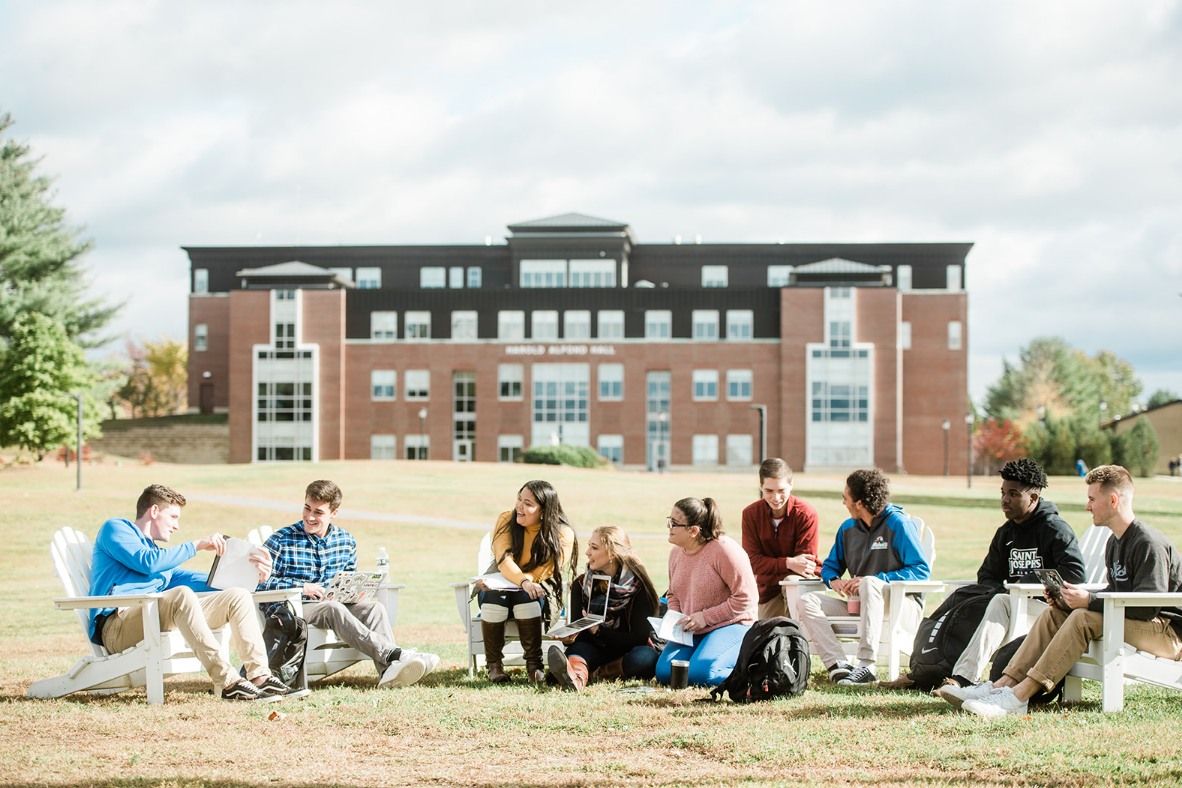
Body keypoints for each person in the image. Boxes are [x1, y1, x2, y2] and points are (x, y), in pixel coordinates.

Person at [942, 465, 1182, 718]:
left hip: (1168, 633)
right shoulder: (1114, 542)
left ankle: (1019, 696)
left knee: (1082, 617)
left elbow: (1147, 606)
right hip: (1138, 622)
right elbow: (1117, 591)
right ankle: (1003, 685)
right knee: (1055, 613)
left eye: (1092, 499)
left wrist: (1088, 601)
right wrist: (1069, 601)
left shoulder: (1147, 542)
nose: (1087, 506)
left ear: (1113, 500)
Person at [884, 458, 1086, 691]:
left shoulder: (1054, 529)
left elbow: (1075, 573)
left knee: (999, 601)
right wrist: (1000, 590)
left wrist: (1025, 584)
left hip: (1047, 612)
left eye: (1013, 494)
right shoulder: (1006, 533)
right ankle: (929, 671)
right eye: (1002, 493)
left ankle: (963, 678)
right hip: (1009, 606)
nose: (1005, 500)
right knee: (973, 600)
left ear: (1033, 498)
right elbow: (988, 574)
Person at [88, 484, 293, 701]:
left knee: (237, 596)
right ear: (155, 511)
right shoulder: (116, 528)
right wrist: (197, 545)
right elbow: (147, 563)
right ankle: (228, 681)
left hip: (151, 619)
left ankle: (259, 676)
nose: (177, 526)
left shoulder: (160, 559)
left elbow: (206, 582)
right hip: (117, 627)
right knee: (182, 594)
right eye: (174, 517)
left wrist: (253, 576)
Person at [257, 479, 437, 689]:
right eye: (307, 508)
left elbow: (348, 579)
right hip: (294, 609)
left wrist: (356, 593)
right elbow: (260, 585)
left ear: (334, 513)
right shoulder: (280, 540)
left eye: (318, 512)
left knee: (374, 608)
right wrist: (302, 587)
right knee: (332, 608)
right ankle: (394, 654)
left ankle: (388, 672)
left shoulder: (346, 541)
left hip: (333, 603)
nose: (310, 517)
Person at [799, 468, 930, 687]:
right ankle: (839, 665)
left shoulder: (899, 524)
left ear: (859, 503)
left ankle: (866, 665)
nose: (844, 503)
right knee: (807, 601)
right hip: (859, 605)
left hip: (900, 605)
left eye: (845, 498)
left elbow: (921, 570)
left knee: (870, 582)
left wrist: (878, 580)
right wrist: (835, 581)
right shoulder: (848, 529)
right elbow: (829, 567)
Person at [477, 480, 577, 684]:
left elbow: (548, 569)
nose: (519, 507)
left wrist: (527, 583)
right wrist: (523, 581)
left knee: (526, 598)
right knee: (496, 597)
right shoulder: (506, 519)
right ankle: (494, 666)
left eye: (528, 503)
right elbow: (504, 559)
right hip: (499, 584)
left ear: (543, 511)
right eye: (519, 499)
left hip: (539, 588)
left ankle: (534, 666)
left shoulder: (562, 533)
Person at [655, 497, 758, 687]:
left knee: (702, 673)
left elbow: (747, 599)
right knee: (665, 672)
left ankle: (754, 672)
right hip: (693, 629)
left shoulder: (724, 550)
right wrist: (676, 617)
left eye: (674, 523)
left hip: (732, 624)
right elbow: (673, 594)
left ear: (693, 531)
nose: (669, 527)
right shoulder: (676, 552)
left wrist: (704, 617)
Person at [546, 525, 660, 691]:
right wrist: (571, 636)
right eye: (589, 546)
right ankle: (575, 678)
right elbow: (582, 635)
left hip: (625, 652)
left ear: (612, 553)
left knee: (645, 658)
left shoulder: (639, 588)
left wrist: (599, 631)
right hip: (592, 649)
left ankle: (593, 674)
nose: (587, 552)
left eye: (594, 547)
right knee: (578, 650)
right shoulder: (581, 584)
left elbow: (639, 637)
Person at [741, 458, 820, 619]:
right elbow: (752, 562)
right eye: (769, 491)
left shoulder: (806, 514)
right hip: (767, 589)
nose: (776, 498)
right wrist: (789, 563)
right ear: (761, 487)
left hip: (798, 584)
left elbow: (805, 566)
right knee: (766, 635)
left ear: (791, 485)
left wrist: (766, 570)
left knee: (792, 581)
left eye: (781, 490)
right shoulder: (750, 514)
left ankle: (796, 637)